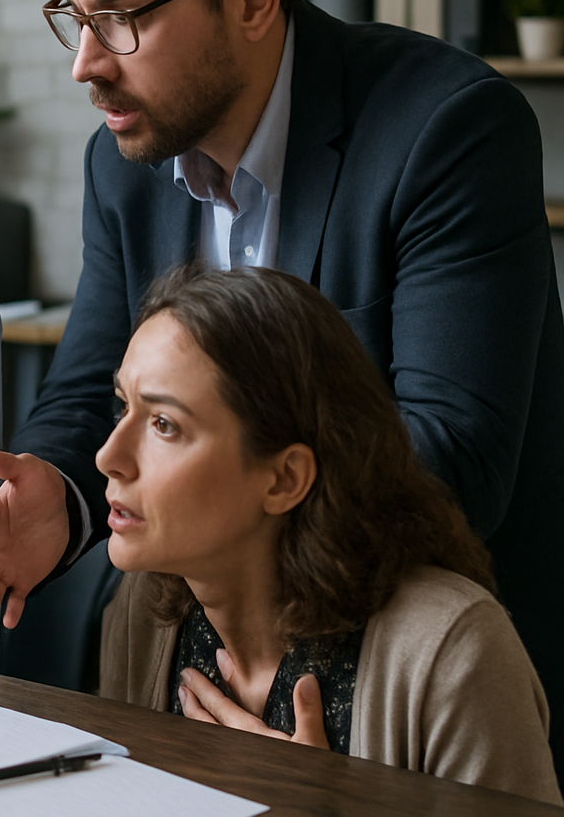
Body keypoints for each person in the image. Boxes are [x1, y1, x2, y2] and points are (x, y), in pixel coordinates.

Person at [0, 0, 564, 771]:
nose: (85, 64)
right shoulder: (123, 164)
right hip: (213, 635)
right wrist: (62, 495)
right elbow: (85, 389)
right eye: (75, 14)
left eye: (123, 18)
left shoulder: (449, 131)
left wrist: (264, 642)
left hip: (415, 664)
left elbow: (453, 461)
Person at [97, 264, 560, 804]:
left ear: (286, 478)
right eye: (124, 406)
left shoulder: (454, 652)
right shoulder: (147, 610)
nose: (108, 456)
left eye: (164, 425)